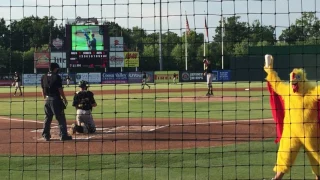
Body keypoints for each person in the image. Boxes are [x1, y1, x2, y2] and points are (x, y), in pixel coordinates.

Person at [41, 63, 73, 141]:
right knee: (61, 118)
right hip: (55, 99)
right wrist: (64, 99)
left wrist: (45, 98)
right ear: (55, 69)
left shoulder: (43, 76)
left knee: (47, 118)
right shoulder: (57, 77)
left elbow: (42, 90)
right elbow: (60, 90)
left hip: (47, 100)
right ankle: (63, 135)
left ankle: (46, 135)